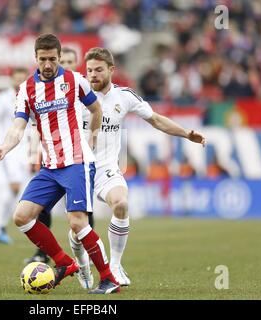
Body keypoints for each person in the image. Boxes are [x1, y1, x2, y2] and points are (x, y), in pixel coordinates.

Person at [0, 34, 120, 294]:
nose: (47, 64)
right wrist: (4, 147)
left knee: (77, 222)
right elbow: (17, 127)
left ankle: (109, 278)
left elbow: (96, 110)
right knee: (22, 217)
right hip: (50, 167)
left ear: (59, 57)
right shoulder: (26, 89)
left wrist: (91, 139)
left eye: (52, 59)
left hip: (76, 162)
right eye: (42, 59)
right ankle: (64, 262)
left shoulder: (74, 80)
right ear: (35, 58)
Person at [68, 47, 206, 287]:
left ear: (111, 70)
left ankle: (115, 264)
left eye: (98, 70)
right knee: (79, 228)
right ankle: (82, 265)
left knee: (121, 204)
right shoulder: (77, 94)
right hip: (77, 169)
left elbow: (156, 119)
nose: (93, 75)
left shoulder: (125, 96)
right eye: (89, 70)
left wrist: (185, 133)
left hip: (106, 168)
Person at [23, 47, 95, 272]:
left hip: (81, 159)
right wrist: (33, 154)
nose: (67, 64)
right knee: (40, 210)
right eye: (64, 61)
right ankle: (46, 253)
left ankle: (90, 262)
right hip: (52, 160)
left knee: (79, 217)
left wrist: (92, 143)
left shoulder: (80, 89)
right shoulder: (43, 92)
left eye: (70, 61)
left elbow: (100, 117)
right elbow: (36, 126)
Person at [0, 67, 30, 244]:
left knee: (13, 189)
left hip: (23, 151)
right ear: (11, 80)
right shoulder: (2, 99)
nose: (19, 82)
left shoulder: (29, 97)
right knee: (14, 187)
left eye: (23, 79)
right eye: (17, 79)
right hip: (7, 150)